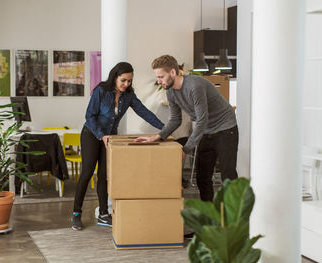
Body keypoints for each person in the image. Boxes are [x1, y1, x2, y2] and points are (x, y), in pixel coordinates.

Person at [72, 62, 164, 230]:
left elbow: (144, 112)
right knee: (86, 173)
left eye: (129, 81)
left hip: (110, 138)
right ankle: (76, 214)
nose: (126, 84)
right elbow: (89, 117)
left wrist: (164, 129)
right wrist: (101, 135)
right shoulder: (101, 91)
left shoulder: (128, 95)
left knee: (103, 175)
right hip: (92, 135)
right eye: (123, 80)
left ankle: (104, 214)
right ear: (115, 77)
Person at [135, 55, 238, 201]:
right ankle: (207, 216)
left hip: (226, 128)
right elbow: (176, 120)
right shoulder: (171, 91)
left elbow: (202, 120)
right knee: (202, 177)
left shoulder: (194, 86)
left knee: (228, 176)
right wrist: (157, 136)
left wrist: (186, 149)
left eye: (161, 77)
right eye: (157, 77)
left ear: (172, 72)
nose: (159, 81)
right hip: (207, 131)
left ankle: (234, 219)